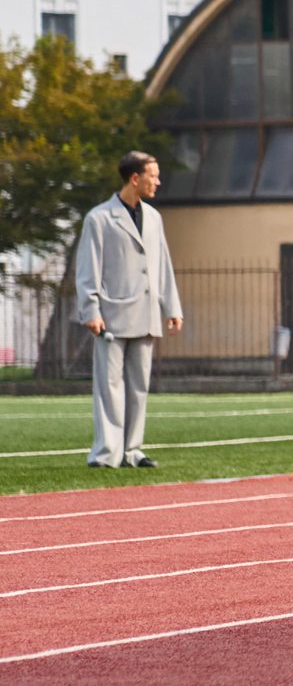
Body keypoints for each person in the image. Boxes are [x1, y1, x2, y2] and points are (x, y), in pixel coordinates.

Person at [72, 151, 183, 470]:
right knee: (109, 388)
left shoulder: (154, 217)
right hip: (111, 317)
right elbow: (87, 269)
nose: (158, 181)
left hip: (146, 314)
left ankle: (132, 451)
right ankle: (106, 452)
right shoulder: (99, 217)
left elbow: (162, 265)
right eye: (153, 175)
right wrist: (90, 310)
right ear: (135, 178)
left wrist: (171, 306)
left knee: (138, 388)